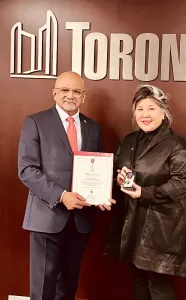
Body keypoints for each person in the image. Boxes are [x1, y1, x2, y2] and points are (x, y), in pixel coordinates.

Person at [18, 71, 115, 300]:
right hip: (46, 216)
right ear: (55, 93)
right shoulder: (35, 122)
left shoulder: (93, 127)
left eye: (76, 92)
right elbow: (27, 170)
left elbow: (96, 168)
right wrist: (62, 196)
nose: (70, 95)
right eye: (65, 90)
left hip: (80, 220)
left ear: (83, 97)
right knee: (43, 288)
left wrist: (103, 192)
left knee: (69, 286)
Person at [105, 85, 186, 300]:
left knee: (158, 284)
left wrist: (144, 192)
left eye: (152, 109)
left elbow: (182, 183)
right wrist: (118, 179)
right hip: (132, 222)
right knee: (138, 278)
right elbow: (119, 170)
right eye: (140, 109)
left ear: (164, 112)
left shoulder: (176, 144)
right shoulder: (128, 141)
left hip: (161, 227)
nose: (145, 115)